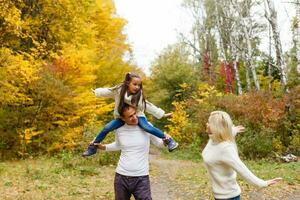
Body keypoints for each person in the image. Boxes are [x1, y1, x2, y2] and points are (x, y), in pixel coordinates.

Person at [82, 72, 178, 157]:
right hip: (120, 116)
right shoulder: (119, 90)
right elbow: (108, 91)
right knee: (107, 127)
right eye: (135, 84)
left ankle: (168, 140)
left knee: (147, 127)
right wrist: (97, 92)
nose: (137, 87)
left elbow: (147, 105)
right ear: (128, 83)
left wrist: (162, 114)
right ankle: (93, 146)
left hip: (138, 114)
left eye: (139, 85)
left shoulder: (138, 96)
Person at [202, 111, 282, 200]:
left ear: (215, 127)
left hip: (229, 197)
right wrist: (233, 130)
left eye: (209, 122)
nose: (207, 124)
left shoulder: (225, 149)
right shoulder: (213, 141)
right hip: (219, 196)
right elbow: (223, 134)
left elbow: (243, 170)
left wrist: (262, 183)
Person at [98, 104, 165, 200]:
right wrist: (103, 147)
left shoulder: (147, 126)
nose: (134, 118)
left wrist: (166, 141)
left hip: (141, 178)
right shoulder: (119, 129)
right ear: (123, 118)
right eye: (130, 116)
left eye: (135, 114)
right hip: (121, 177)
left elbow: (159, 143)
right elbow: (118, 145)